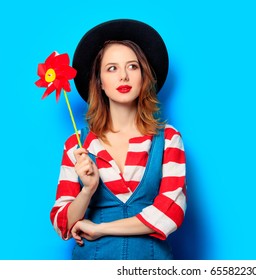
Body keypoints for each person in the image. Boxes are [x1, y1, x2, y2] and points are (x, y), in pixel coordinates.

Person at [49, 19, 187, 260]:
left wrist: (100, 228)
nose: (123, 76)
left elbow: (171, 212)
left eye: (132, 66)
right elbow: (63, 224)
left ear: (144, 76)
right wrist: (88, 189)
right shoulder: (77, 145)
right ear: (100, 81)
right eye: (112, 68)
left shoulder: (168, 139)